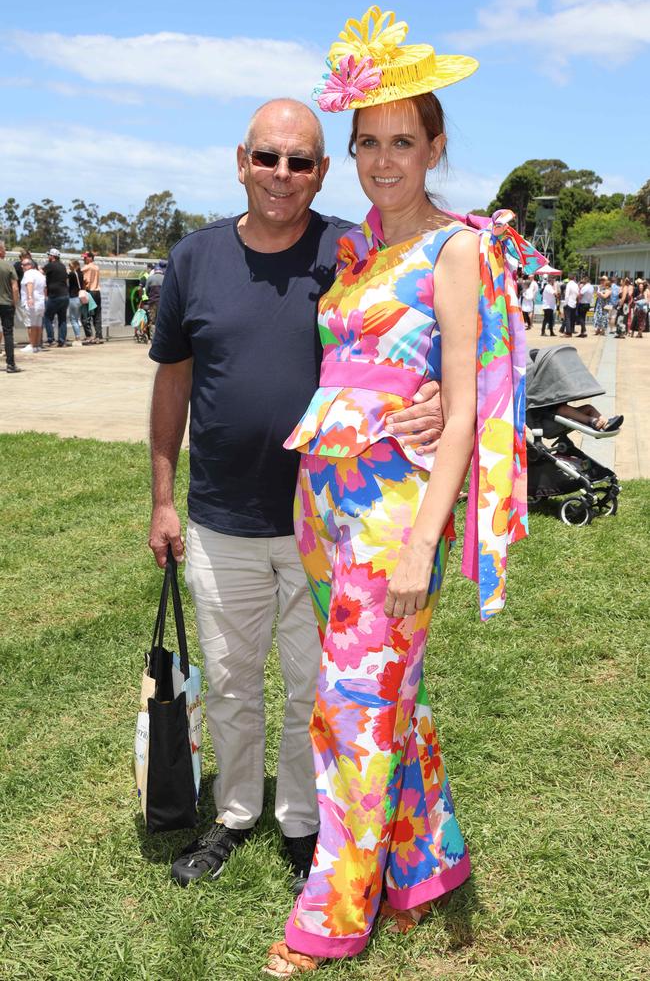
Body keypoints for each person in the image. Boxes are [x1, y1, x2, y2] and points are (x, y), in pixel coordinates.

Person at [264, 5, 542, 975]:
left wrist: (426, 536)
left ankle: (335, 911)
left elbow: (462, 404)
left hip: (394, 525)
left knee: (350, 705)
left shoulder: (452, 250)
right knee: (390, 695)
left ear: (433, 147)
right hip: (332, 513)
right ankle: (424, 865)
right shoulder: (355, 254)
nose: (384, 160)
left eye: (403, 142)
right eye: (368, 143)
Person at [148, 97, 443, 896]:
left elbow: (426, 313)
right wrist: (163, 497)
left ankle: (303, 824)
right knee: (234, 679)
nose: (283, 176)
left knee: (313, 684)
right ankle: (237, 813)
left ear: (321, 170)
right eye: (268, 158)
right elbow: (173, 380)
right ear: (240, 160)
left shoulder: (352, 251)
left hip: (331, 521)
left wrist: (444, 394)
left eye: (302, 161)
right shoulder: (193, 259)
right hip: (218, 517)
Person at [0, 239, 21, 373]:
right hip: (6, 303)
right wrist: (15, 302)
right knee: (8, 333)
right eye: (4, 248)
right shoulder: (8, 267)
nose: (6, 250)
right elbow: (15, 287)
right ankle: (10, 364)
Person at [42, 247, 70, 347]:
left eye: (49, 255)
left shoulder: (50, 265)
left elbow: (41, 272)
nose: (48, 257)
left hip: (55, 296)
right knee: (62, 319)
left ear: (53, 256)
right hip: (65, 295)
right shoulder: (62, 266)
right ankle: (62, 341)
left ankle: (51, 340)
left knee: (48, 318)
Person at [20, 257, 46, 353]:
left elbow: (29, 284)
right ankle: (37, 345)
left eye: (24, 265)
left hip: (32, 302)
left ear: (30, 265)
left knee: (30, 324)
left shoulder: (28, 273)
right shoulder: (40, 274)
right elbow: (44, 288)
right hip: (40, 301)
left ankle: (32, 345)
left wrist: (30, 297)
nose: (22, 266)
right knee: (38, 324)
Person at [81, 251, 103, 343]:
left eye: (85, 257)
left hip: (90, 292)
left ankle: (89, 336)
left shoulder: (87, 267)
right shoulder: (96, 267)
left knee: (86, 315)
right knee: (97, 315)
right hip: (97, 292)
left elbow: (86, 281)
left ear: (90, 258)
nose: (84, 259)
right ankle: (99, 336)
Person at [67, 260, 85, 345]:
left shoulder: (72, 274)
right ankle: (78, 337)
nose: (69, 267)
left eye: (70, 265)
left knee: (73, 319)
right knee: (77, 318)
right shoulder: (81, 273)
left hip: (73, 297)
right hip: (80, 297)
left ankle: (78, 338)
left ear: (74, 266)